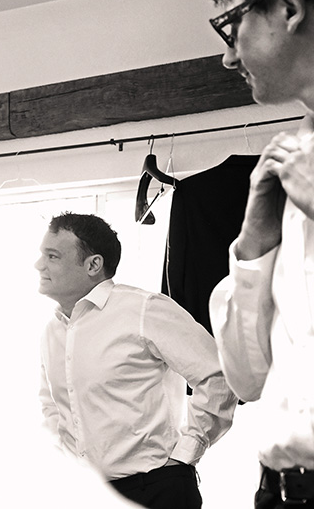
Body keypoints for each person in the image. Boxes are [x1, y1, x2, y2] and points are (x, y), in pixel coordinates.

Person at [206, 0, 314, 508]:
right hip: (279, 491)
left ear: (289, 8)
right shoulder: (284, 166)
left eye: (233, 27)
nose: (228, 58)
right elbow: (248, 380)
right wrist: (253, 249)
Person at [36, 213, 236, 509]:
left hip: (155, 490)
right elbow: (52, 406)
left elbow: (217, 375)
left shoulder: (143, 309)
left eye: (52, 256)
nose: (39, 265)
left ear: (93, 265)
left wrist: (185, 454)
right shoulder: (53, 331)